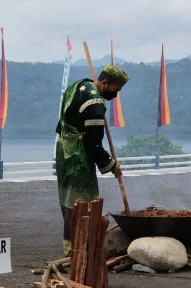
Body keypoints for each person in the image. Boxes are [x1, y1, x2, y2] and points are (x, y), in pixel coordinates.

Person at [55, 65, 128, 256]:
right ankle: (76, 250)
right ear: (105, 83)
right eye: (116, 90)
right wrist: (112, 165)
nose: (116, 95)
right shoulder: (95, 103)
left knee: (68, 199)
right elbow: (93, 144)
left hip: (63, 149)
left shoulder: (79, 85)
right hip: (77, 157)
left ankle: (72, 247)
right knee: (81, 202)